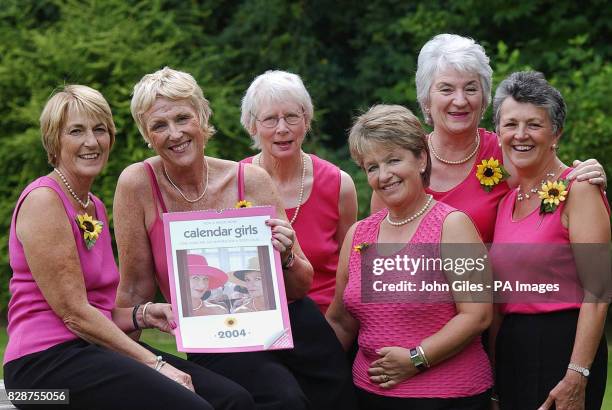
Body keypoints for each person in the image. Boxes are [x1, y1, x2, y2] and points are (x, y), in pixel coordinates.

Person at [113, 67, 357, 410]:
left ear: (202, 116)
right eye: (158, 125)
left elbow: (301, 284)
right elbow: (134, 289)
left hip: (293, 323)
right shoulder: (137, 185)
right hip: (216, 335)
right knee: (282, 399)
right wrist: (123, 363)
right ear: (146, 134)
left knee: (339, 399)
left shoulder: (250, 179)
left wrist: (286, 256)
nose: (174, 133)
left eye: (183, 118)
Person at [3, 85, 248, 410]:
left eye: (100, 129)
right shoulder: (44, 201)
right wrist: (155, 364)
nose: (91, 141)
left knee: (232, 399)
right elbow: (75, 315)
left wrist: (142, 314)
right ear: (54, 141)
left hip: (88, 351)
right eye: (76, 131)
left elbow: (97, 311)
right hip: (41, 370)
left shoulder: (94, 207)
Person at [327, 104, 494, 409]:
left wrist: (416, 358)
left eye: (393, 160)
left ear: (420, 159)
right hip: (366, 395)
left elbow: (477, 315)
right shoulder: (359, 235)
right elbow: (341, 322)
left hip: (448, 397)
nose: (384, 175)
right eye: (372, 166)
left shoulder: (452, 226)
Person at [370, 34, 606, 243]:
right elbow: (379, 245)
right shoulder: (399, 164)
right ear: (425, 100)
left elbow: (557, 188)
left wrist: (589, 176)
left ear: (484, 100)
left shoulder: (510, 152)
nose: (460, 100)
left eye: (471, 89)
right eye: (446, 89)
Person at [490, 71, 609, 410]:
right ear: (498, 132)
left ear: (556, 132)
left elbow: (599, 292)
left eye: (534, 125)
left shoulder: (580, 189)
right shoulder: (505, 202)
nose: (521, 135)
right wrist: (496, 383)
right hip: (514, 352)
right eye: (511, 124)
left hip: (564, 349)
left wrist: (576, 375)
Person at [239, 70, 358, 314]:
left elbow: (352, 270)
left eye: (291, 116)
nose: (282, 128)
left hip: (327, 321)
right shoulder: (233, 182)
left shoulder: (339, 184)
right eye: (270, 119)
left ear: (306, 121)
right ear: (252, 126)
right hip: (257, 320)